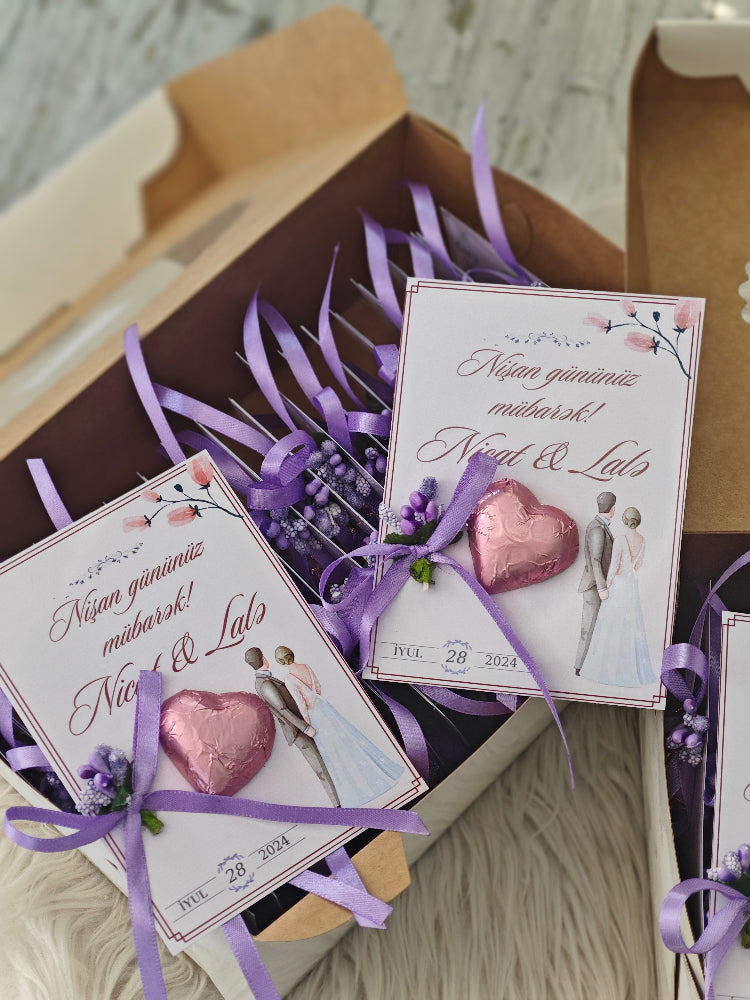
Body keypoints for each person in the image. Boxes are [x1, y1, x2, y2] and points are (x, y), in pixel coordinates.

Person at [272, 645, 404, 807]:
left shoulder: (289, 679)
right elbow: (318, 687)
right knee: (349, 741)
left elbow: (301, 703)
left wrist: (307, 723)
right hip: (326, 708)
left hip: (315, 716)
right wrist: (316, 698)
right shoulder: (305, 667)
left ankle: (358, 792)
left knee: (335, 753)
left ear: (279, 661)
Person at [245, 646, 340, 806]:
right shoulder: (264, 684)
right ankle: (337, 803)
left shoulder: (266, 679)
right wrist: (305, 727)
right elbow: (282, 709)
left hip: (303, 727)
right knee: (320, 767)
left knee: (326, 760)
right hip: (299, 731)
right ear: (263, 659)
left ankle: (341, 797)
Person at [581, 507, 655, 687]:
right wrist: (629, 571)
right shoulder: (643, 540)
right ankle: (628, 669)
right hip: (632, 585)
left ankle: (607, 670)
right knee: (631, 626)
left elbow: (614, 567)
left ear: (624, 520)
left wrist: (606, 585)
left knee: (611, 625)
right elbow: (639, 565)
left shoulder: (621, 540)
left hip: (619, 585)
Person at [573, 491, 616, 676]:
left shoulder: (600, 526)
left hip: (598, 586)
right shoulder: (597, 528)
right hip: (593, 588)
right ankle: (579, 667)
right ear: (612, 508)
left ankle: (590, 666)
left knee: (598, 628)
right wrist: (602, 588)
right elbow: (596, 559)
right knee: (588, 628)